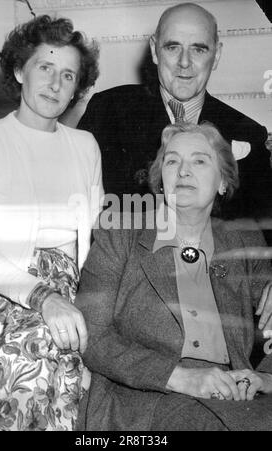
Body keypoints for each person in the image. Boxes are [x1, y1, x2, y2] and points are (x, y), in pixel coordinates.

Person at [75, 122, 272, 431]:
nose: (183, 171)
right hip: (145, 398)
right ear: (162, 181)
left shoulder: (244, 242)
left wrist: (264, 378)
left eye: (199, 160)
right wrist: (181, 378)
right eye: (172, 161)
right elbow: (93, 337)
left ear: (223, 182)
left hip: (234, 396)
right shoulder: (120, 233)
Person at [0, 15, 103, 431]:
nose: (55, 83)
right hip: (1, 284)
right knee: (22, 361)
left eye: (68, 75)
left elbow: (98, 234)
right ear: (18, 70)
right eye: (44, 68)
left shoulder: (85, 146)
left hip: (72, 286)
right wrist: (43, 297)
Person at [78, 2, 272, 223]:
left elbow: (257, 236)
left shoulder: (248, 133)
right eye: (172, 47)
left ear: (216, 55)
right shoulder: (107, 111)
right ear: (154, 50)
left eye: (198, 49)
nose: (184, 62)